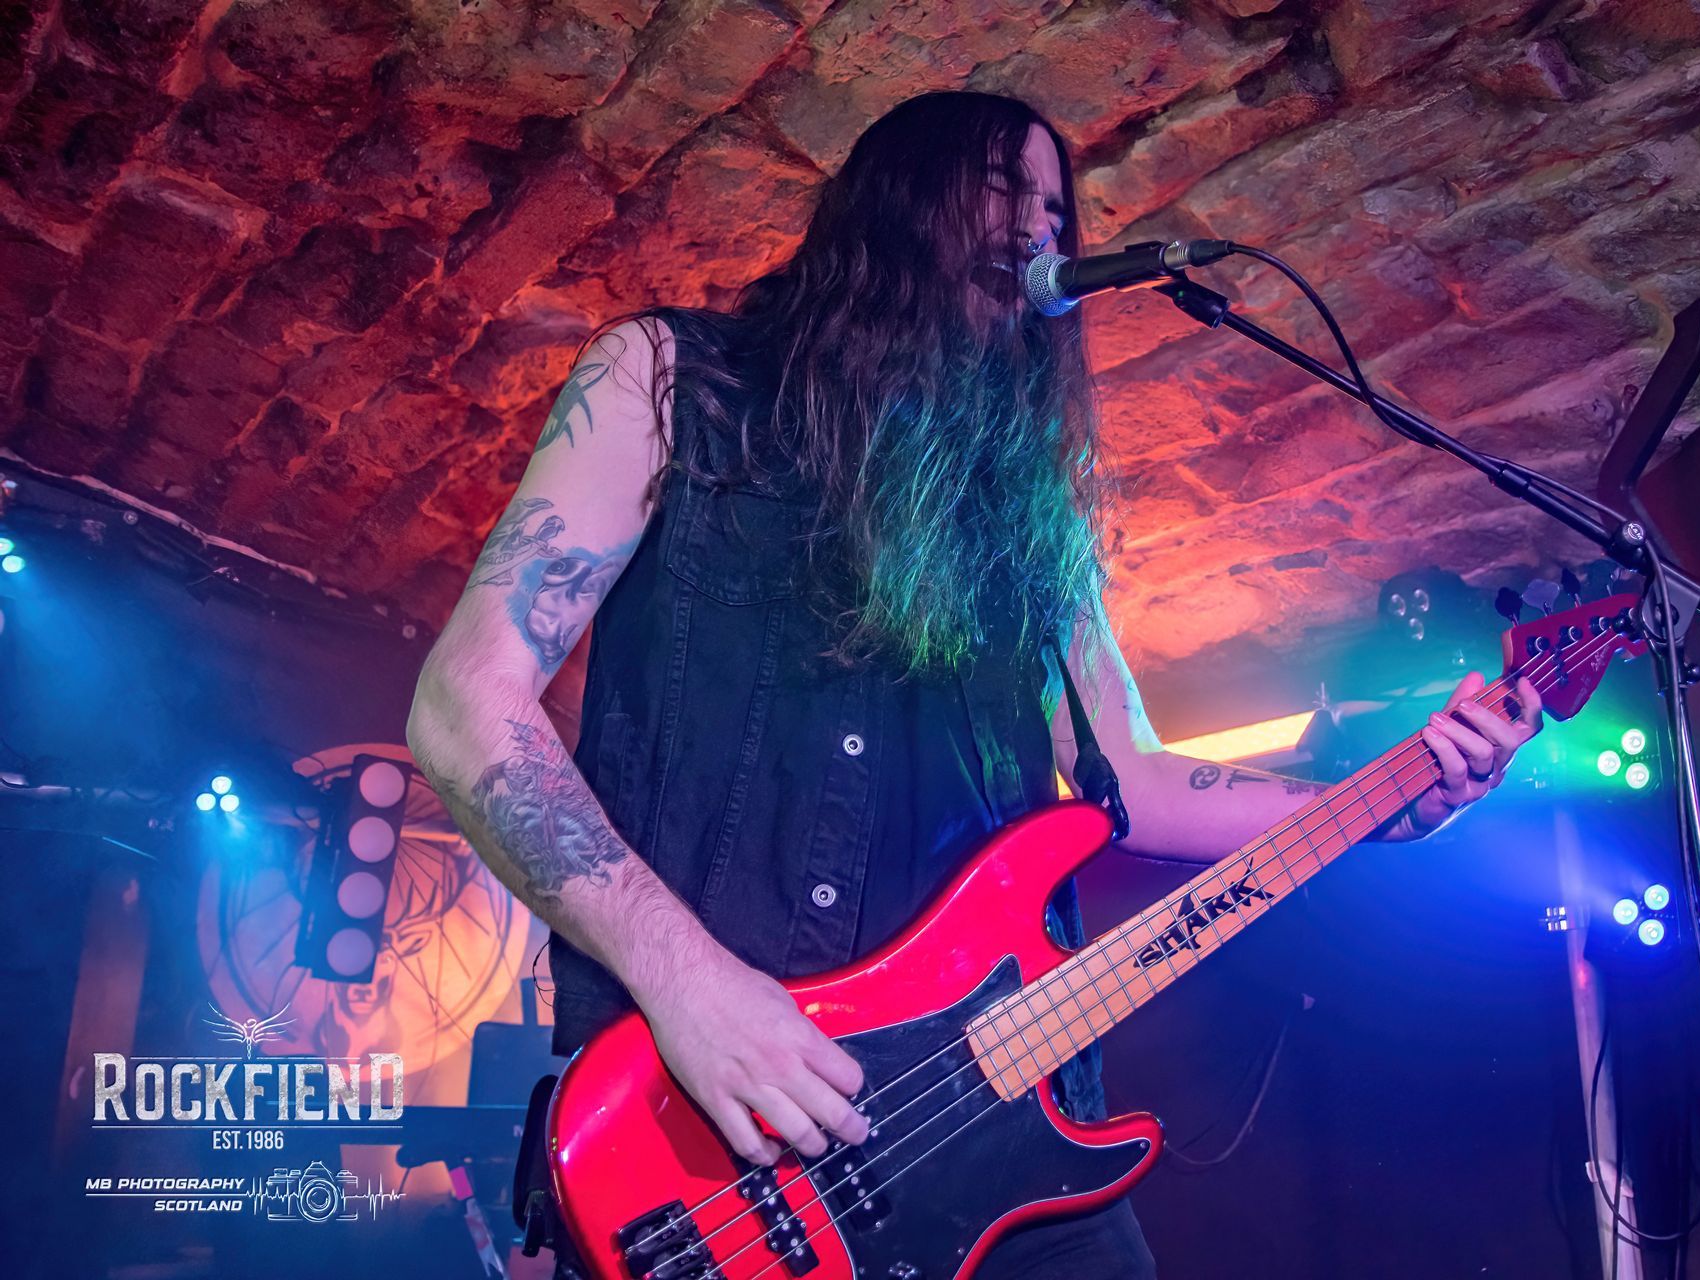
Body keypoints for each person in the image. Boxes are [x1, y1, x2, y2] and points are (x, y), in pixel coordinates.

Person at [407, 89, 1541, 1280]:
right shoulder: (670, 381)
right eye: (1006, 189)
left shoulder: (1028, 511)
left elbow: (1133, 780)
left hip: (999, 1124)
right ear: (900, 200)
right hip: (721, 1133)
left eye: (1057, 208)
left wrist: (1389, 795)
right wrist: (687, 981)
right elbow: (465, 704)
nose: (1040, 228)